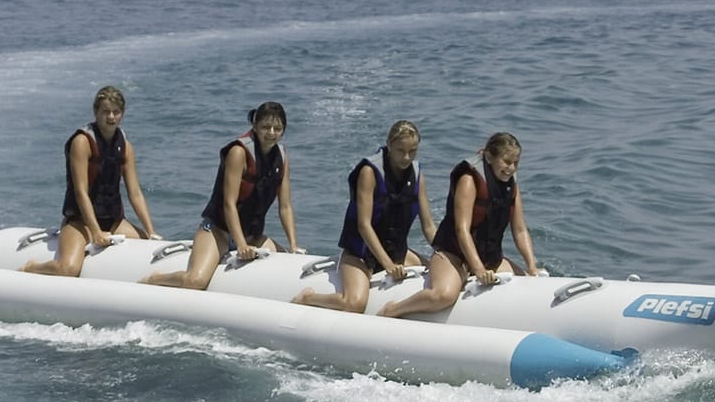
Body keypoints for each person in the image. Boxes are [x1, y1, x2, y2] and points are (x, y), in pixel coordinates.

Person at [379, 131, 539, 318]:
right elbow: (461, 230)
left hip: (489, 257)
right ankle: (392, 310)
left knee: (529, 286)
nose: (511, 168)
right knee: (443, 295)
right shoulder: (469, 179)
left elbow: (519, 230)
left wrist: (532, 267)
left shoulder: (512, 184)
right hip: (454, 255)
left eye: (516, 163)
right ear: (488, 156)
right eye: (506, 161)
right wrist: (478, 269)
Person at [143, 102, 300, 290]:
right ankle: (155, 279)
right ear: (255, 125)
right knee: (195, 281)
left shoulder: (282, 157)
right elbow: (229, 203)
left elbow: (285, 206)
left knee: (288, 263)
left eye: (278, 128)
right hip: (218, 231)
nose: (272, 133)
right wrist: (240, 245)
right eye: (266, 127)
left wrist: (293, 244)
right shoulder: (239, 152)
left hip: (253, 235)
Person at [292, 120, 436, 313]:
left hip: (397, 251)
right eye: (400, 150)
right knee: (355, 303)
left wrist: (446, 255)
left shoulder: (417, 175)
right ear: (389, 144)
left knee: (436, 274)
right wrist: (388, 265)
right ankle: (308, 297)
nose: (406, 157)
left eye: (413, 151)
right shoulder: (370, 172)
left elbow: (428, 226)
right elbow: (364, 225)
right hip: (360, 253)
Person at [21, 86, 159, 276]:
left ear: (122, 114)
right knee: (68, 269)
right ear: (96, 112)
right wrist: (95, 231)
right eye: (105, 111)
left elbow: (135, 193)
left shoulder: (125, 147)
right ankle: (31, 267)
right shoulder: (82, 142)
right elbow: (80, 191)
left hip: (113, 221)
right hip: (80, 221)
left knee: (146, 246)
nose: (111, 117)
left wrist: (151, 231)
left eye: (116, 112)